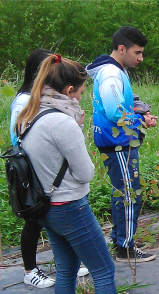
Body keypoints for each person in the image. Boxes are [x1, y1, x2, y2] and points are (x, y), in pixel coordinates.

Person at [15, 53, 116, 294]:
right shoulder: (62, 123)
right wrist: (77, 131)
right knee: (104, 271)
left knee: (67, 270)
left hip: (46, 207)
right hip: (71, 207)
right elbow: (84, 173)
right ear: (69, 90)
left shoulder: (30, 115)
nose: (81, 98)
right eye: (81, 93)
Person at [10, 49, 89, 289]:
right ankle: (30, 269)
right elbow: (21, 135)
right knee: (34, 221)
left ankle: (66, 262)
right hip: (34, 171)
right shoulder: (26, 100)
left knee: (45, 222)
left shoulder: (43, 101)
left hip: (41, 170)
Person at [86, 26, 157, 262]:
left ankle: (119, 237)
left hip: (117, 140)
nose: (141, 58)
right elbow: (115, 112)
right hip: (116, 141)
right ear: (122, 48)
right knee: (129, 193)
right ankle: (125, 247)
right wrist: (140, 120)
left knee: (122, 190)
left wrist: (141, 116)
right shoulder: (112, 74)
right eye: (137, 52)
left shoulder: (116, 71)